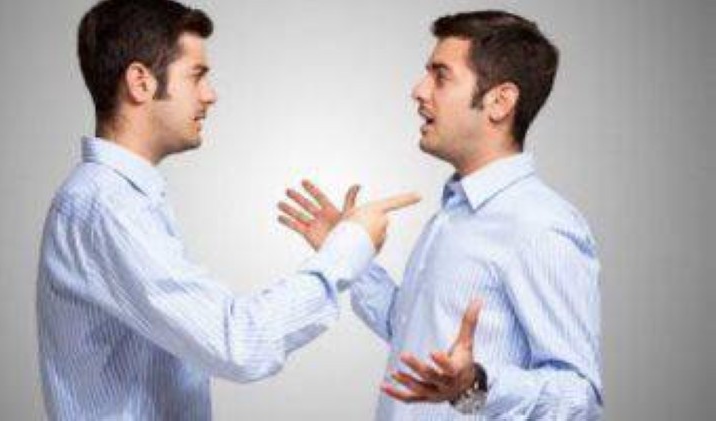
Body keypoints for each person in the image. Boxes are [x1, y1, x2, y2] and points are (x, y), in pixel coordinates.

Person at [36, 1, 419, 419]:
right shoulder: (107, 208)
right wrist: (348, 249)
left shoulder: (120, 201)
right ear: (141, 82)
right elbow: (238, 343)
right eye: (196, 75)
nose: (210, 94)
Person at [277, 10, 602, 420]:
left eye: (440, 76)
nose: (418, 90)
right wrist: (348, 253)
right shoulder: (453, 213)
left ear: (499, 101)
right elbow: (409, 328)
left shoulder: (541, 225)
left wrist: (475, 385)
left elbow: (579, 398)